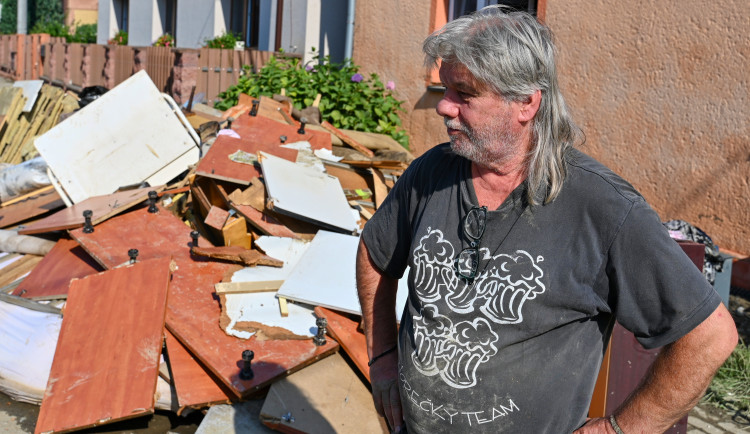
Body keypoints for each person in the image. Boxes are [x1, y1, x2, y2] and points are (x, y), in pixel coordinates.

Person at [356, 6, 737, 434]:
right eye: (444, 89)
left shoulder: (603, 208)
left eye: (463, 93)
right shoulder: (432, 173)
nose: (444, 106)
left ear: (525, 102)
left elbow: (710, 337)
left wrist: (619, 429)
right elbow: (375, 250)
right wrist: (383, 354)